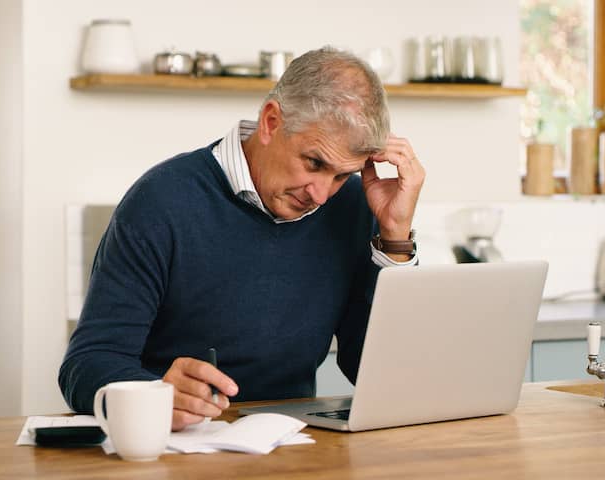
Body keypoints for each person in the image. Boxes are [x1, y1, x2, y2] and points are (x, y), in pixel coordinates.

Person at [58, 46, 425, 431]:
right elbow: (87, 363)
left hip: (295, 449)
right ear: (270, 122)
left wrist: (395, 238)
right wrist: (155, 394)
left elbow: (386, 375)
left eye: (340, 175)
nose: (321, 193)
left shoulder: (351, 205)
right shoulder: (160, 201)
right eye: (314, 163)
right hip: (176, 448)